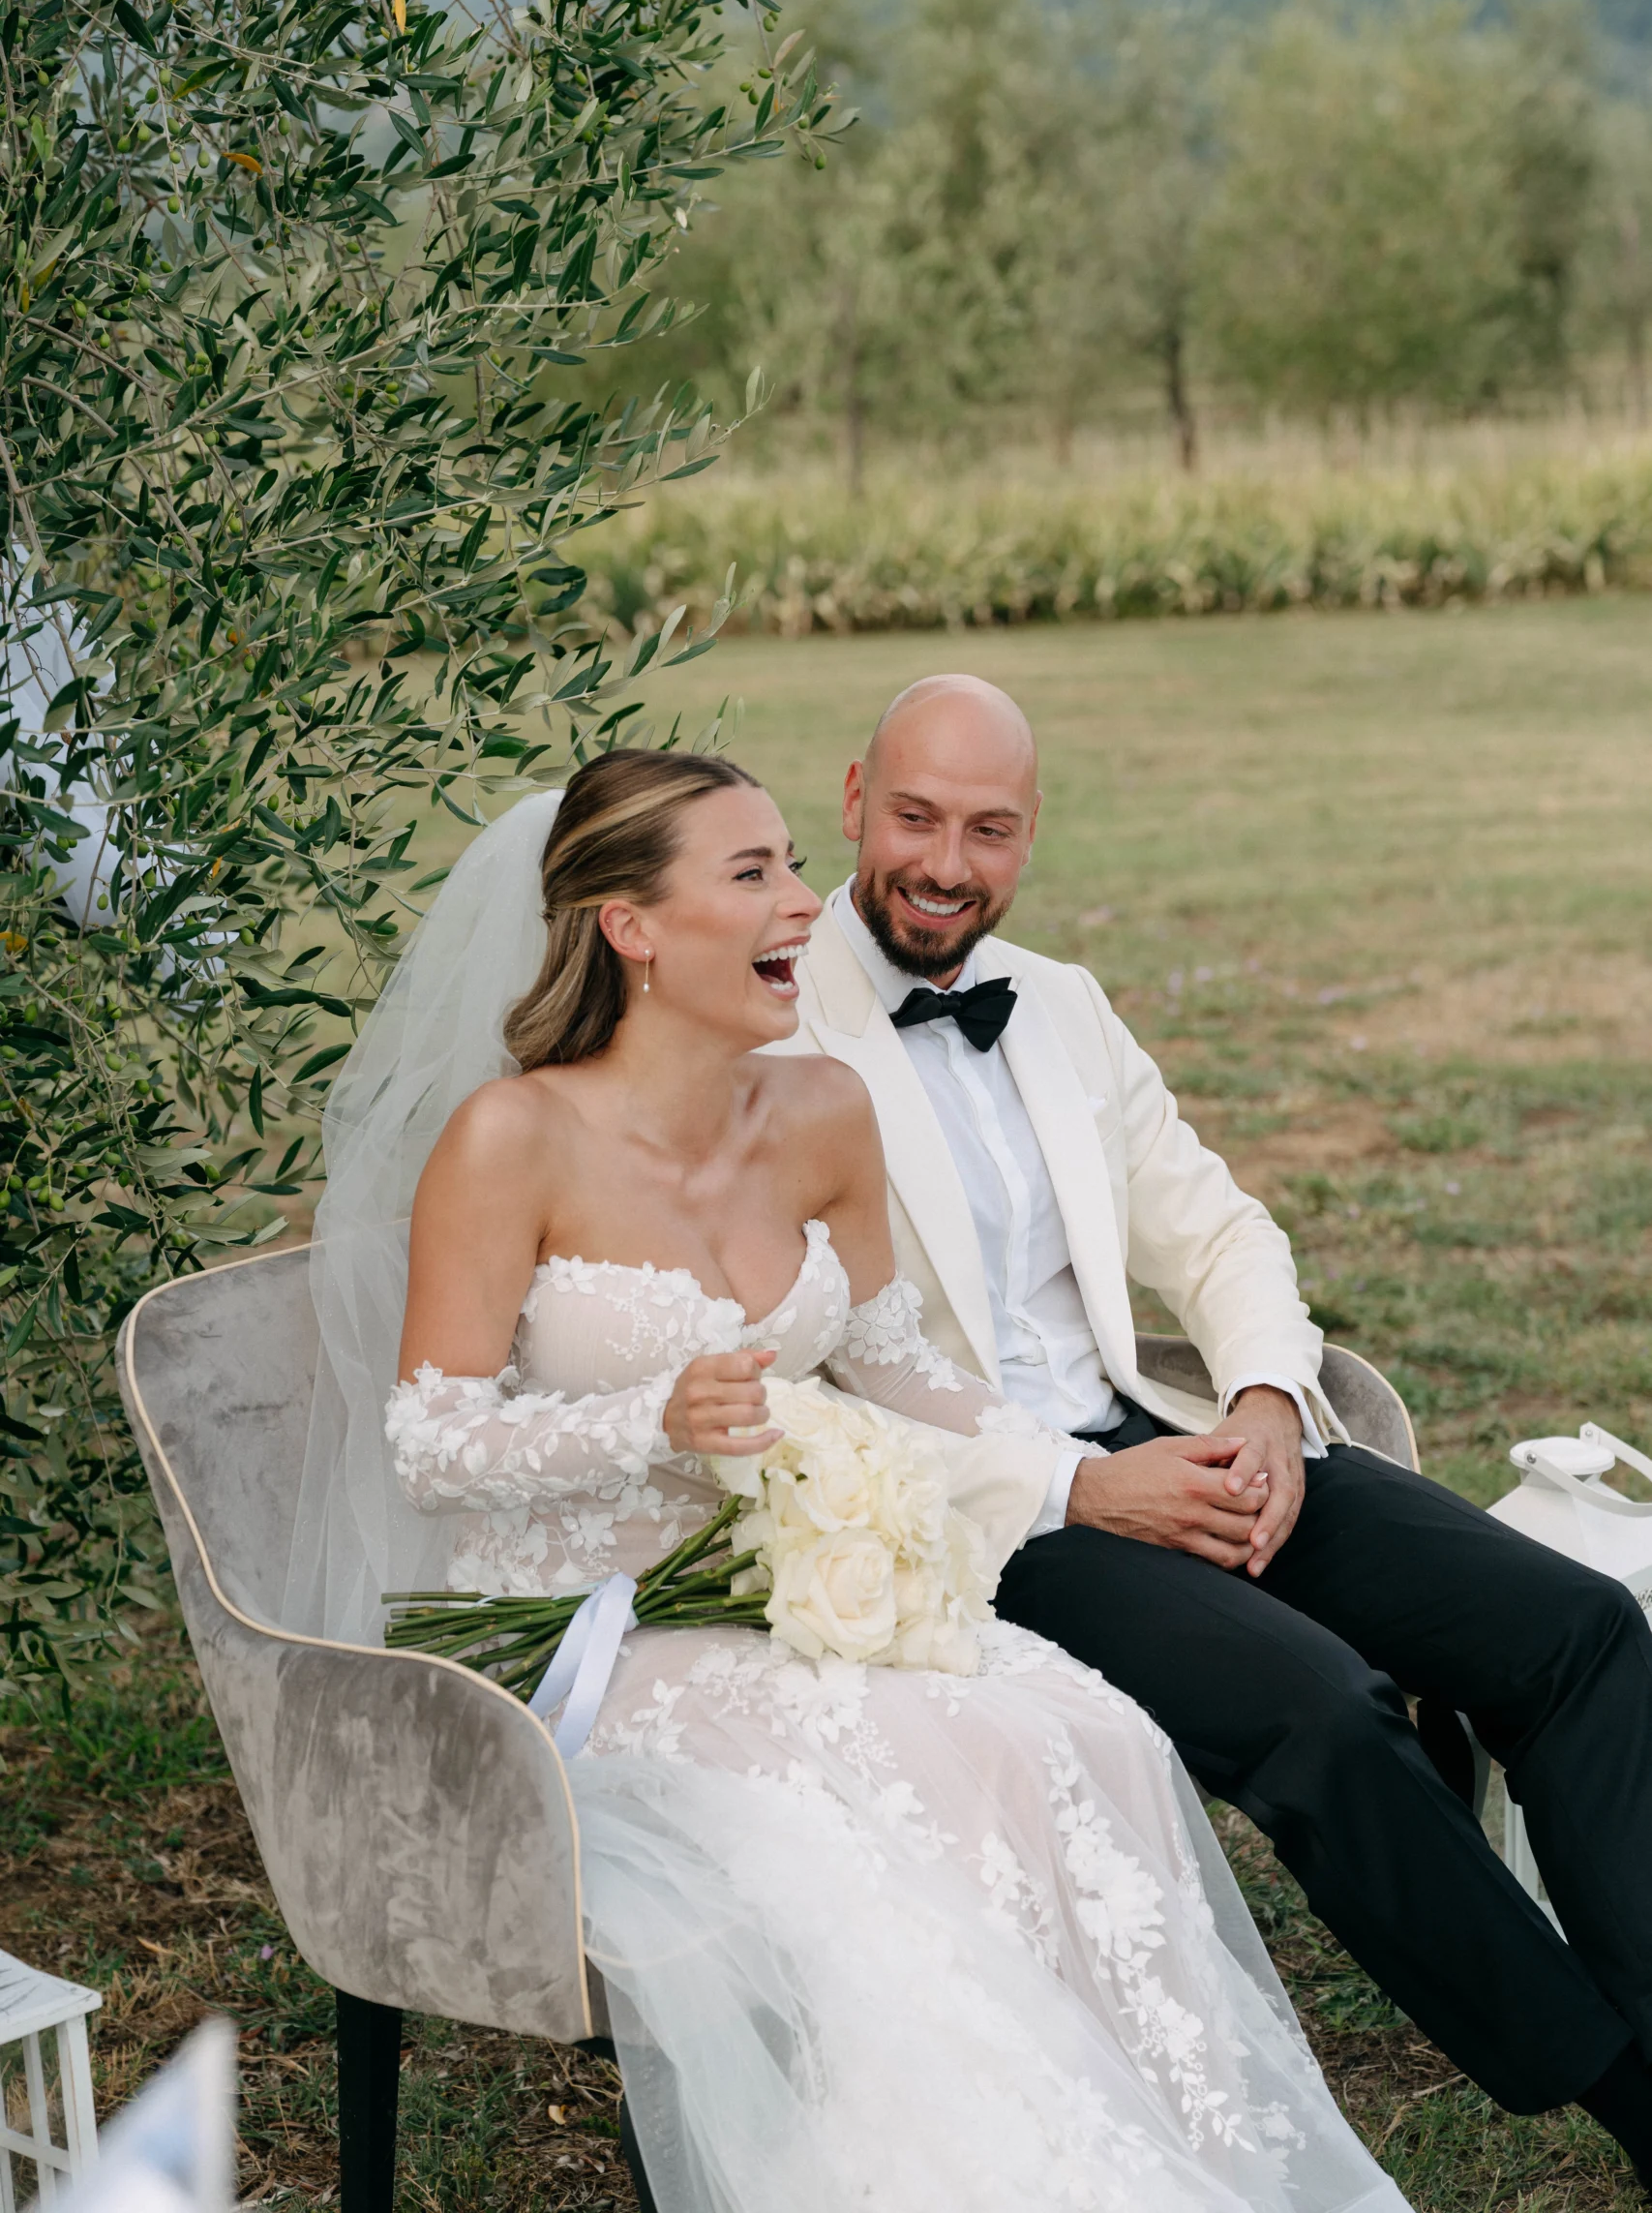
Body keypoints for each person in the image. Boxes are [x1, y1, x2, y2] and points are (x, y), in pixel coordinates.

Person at [294, 746, 1412, 2213]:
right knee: (903, 1811)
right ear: (630, 925)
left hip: (797, 1595)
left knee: (1075, 1737)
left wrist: (1074, 1473)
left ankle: (1141, 2160)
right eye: (749, 875)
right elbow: (431, 1445)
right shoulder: (513, 1138)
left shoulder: (820, 1107)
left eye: (783, 866)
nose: (797, 907)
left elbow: (891, 1365)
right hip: (602, 1642)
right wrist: (649, 1422)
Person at [777, 670, 1652, 2186]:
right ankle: (1628, 2093)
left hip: (1171, 1431)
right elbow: (812, 1375)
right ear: (853, 800)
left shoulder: (1058, 1004)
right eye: (914, 816)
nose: (944, 863)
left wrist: (1257, 1400)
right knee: (1323, 1717)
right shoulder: (772, 1025)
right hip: (993, 1509)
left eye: (988, 829)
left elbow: (1217, 1227)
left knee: (1577, 1630)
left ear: (1030, 838)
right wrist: (1081, 1485)